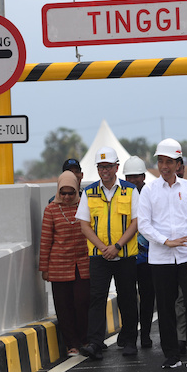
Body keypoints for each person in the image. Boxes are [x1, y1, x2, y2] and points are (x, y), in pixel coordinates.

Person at [137, 138, 187, 369]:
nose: (164, 166)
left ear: (179, 164)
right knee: (166, 306)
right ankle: (171, 356)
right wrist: (165, 241)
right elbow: (143, 224)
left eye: (169, 161)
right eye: (160, 161)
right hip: (160, 258)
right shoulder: (149, 190)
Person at [76, 147, 140, 360]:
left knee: (128, 297)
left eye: (108, 166)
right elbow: (84, 225)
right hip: (99, 257)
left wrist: (118, 246)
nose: (105, 171)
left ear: (116, 167)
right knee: (97, 298)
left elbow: (136, 222)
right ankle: (95, 342)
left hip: (125, 255)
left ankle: (130, 341)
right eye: (101, 167)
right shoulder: (89, 192)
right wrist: (104, 248)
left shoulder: (130, 190)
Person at [39, 171, 90, 357]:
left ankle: (85, 339)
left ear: (77, 190)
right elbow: (46, 240)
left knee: (82, 301)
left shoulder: (85, 206)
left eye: (71, 193)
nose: (67, 197)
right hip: (59, 265)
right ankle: (72, 344)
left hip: (83, 264)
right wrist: (44, 268)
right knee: (63, 306)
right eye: (63, 193)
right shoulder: (51, 210)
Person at [123, 155, 155, 349]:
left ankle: (145, 334)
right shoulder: (121, 196)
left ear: (144, 176)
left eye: (137, 176)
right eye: (130, 176)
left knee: (148, 297)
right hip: (126, 257)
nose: (134, 180)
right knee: (127, 298)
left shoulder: (151, 195)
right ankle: (128, 335)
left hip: (147, 258)